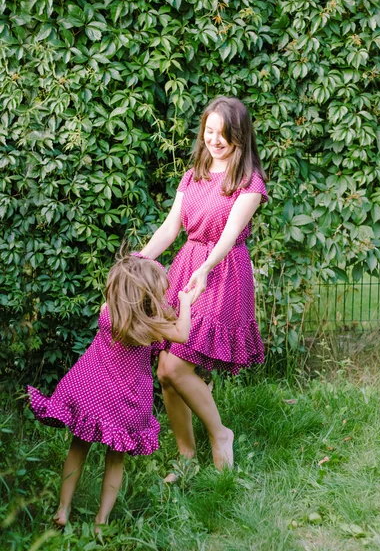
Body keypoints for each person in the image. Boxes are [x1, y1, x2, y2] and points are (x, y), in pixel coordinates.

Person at [140, 96, 268, 476]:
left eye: (222, 134)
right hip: (187, 267)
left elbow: (229, 236)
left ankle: (220, 434)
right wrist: (140, 260)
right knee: (164, 370)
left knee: (176, 365)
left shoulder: (249, 183)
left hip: (222, 274)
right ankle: (186, 457)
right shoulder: (193, 172)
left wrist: (207, 267)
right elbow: (170, 228)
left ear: (239, 136)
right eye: (208, 131)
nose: (213, 140)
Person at [26, 251, 195, 530]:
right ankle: (101, 521)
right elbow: (183, 334)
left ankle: (63, 509)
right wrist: (186, 302)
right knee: (115, 459)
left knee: (78, 447)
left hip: (91, 390)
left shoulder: (108, 312)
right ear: (148, 294)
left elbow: (126, 283)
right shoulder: (151, 325)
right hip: (126, 402)